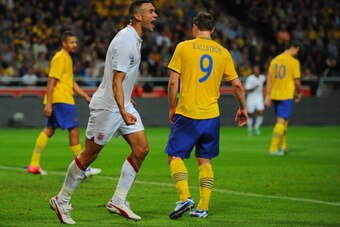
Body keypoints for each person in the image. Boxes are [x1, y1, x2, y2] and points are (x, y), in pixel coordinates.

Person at [49, 1, 158, 224]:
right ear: (137, 16)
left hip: (122, 104)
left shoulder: (135, 39)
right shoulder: (126, 40)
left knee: (141, 149)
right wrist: (122, 107)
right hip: (109, 107)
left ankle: (118, 200)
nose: (155, 15)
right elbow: (116, 81)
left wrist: (127, 100)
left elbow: (121, 81)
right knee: (89, 154)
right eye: (151, 12)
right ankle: (61, 200)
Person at [165, 12, 248, 219]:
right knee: (205, 161)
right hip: (212, 114)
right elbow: (237, 84)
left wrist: (172, 106)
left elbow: (173, 81)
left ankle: (184, 198)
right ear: (212, 30)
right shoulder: (223, 52)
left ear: (194, 27)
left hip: (188, 112)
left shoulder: (183, 47)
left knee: (175, 156)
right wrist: (242, 108)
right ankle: (203, 207)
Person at [27, 31, 101, 177]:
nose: (75, 45)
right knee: (74, 130)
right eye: (72, 42)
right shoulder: (60, 58)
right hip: (62, 99)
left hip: (61, 99)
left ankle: (34, 164)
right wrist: (48, 104)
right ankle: (82, 168)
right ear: (64, 43)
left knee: (49, 130)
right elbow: (51, 80)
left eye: (76, 42)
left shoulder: (66, 58)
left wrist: (86, 97)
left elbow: (71, 82)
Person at [265, 40, 302, 156]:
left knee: (284, 120)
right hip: (286, 94)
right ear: (294, 48)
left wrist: (268, 95)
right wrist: (299, 92)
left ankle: (283, 146)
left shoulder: (275, 60)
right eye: (297, 50)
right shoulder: (294, 62)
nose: (297, 53)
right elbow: (297, 82)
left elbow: (269, 80)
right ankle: (273, 148)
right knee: (281, 121)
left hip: (275, 94)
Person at [244, 65, 266, 136]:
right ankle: (250, 129)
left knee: (261, 112)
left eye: (257, 70)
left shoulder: (262, 77)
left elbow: (268, 78)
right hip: (251, 98)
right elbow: (246, 89)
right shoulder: (250, 78)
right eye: (255, 70)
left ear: (259, 70)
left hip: (259, 98)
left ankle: (256, 127)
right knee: (250, 114)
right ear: (253, 71)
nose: (256, 71)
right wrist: (253, 88)